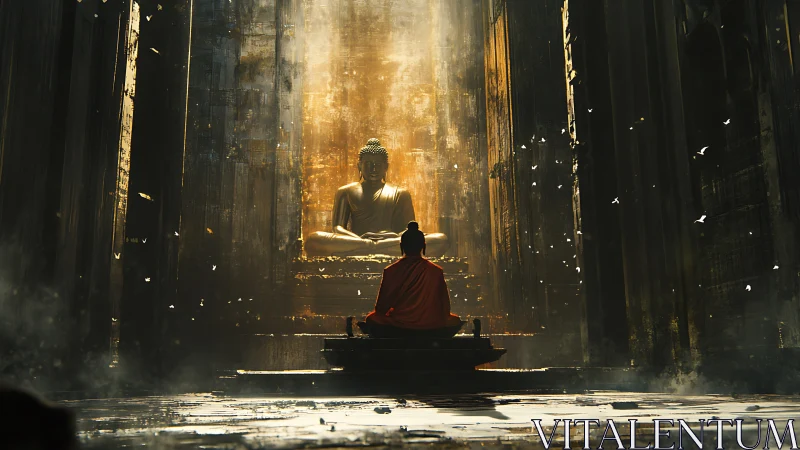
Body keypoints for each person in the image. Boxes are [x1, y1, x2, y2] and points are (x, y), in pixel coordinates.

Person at [304, 138, 450, 257]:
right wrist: (360, 240)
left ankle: (370, 249)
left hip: (391, 240)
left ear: (386, 167)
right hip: (357, 240)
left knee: (440, 240)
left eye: (378, 165)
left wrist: (391, 237)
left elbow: (408, 229)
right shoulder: (345, 191)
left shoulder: (400, 193)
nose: (374, 169)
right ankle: (372, 248)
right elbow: (337, 228)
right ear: (359, 166)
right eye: (368, 164)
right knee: (313, 240)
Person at [362, 221, 463, 336]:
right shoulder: (435, 271)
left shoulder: (391, 270)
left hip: (399, 325)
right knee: (454, 320)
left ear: (401, 246)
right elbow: (445, 309)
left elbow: (381, 308)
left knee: (372, 319)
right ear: (424, 246)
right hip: (430, 325)